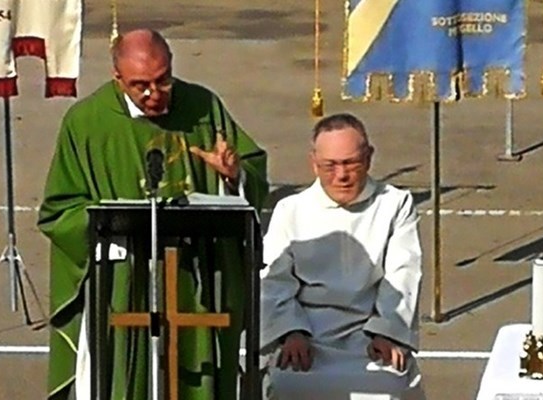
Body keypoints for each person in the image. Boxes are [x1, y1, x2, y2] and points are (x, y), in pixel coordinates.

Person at [37, 28, 269, 400]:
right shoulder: (87, 123)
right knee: (127, 378)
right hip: (123, 279)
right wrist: (108, 231)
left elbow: (253, 173)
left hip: (193, 274)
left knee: (194, 367)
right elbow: (59, 210)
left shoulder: (202, 106)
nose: (154, 94)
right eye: (139, 85)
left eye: (163, 80)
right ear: (118, 78)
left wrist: (234, 176)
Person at [259, 113, 426, 400]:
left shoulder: (395, 204)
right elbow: (274, 280)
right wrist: (290, 332)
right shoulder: (291, 210)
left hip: (370, 335)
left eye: (351, 163)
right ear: (314, 162)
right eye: (330, 166)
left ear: (369, 157)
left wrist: (387, 331)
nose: (342, 175)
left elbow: (403, 274)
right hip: (309, 335)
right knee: (285, 383)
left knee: (391, 387)